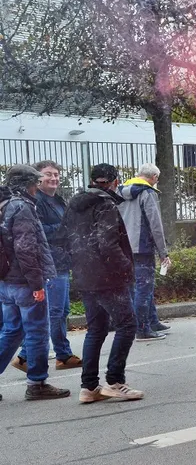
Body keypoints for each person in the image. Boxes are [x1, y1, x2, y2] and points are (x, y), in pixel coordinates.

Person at [62, 164, 143, 403]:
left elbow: (62, 239)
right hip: (108, 277)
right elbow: (107, 243)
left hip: (84, 275)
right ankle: (116, 381)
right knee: (127, 325)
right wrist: (125, 267)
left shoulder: (74, 204)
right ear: (115, 181)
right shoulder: (105, 204)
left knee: (96, 329)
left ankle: (89, 387)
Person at [0, 165, 69, 400]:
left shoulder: (3, 205)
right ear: (27, 184)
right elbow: (26, 248)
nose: (36, 186)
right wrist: (37, 284)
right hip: (24, 282)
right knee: (37, 331)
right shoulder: (22, 207)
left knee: (11, 331)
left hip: (5, 281)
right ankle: (37, 384)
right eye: (34, 182)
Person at [10, 160, 80, 373]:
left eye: (57, 174)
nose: (54, 178)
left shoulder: (57, 199)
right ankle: (27, 356)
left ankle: (61, 354)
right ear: (37, 179)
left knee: (62, 310)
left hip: (62, 261)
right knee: (53, 312)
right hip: (49, 264)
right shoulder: (34, 201)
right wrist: (64, 227)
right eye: (48, 174)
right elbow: (36, 233)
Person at [119, 163, 171, 341]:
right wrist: (163, 252)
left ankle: (152, 320)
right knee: (144, 287)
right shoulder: (147, 192)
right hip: (142, 246)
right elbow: (155, 224)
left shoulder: (119, 192)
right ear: (154, 177)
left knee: (137, 286)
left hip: (124, 247)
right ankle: (142, 328)